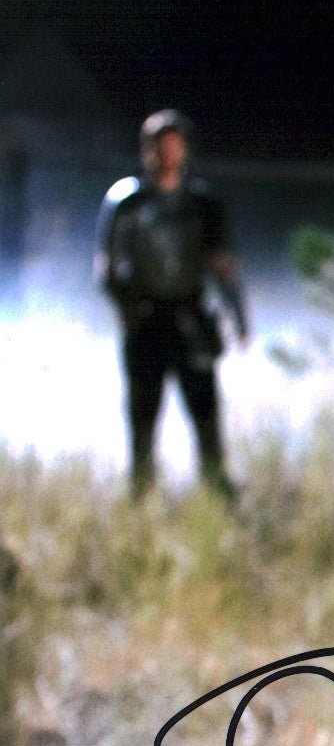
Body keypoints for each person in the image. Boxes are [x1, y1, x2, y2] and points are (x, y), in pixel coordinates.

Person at [96, 110, 249, 498]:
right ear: (145, 150)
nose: (166, 154)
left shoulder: (201, 202)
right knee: (143, 416)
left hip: (190, 320)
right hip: (145, 324)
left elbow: (221, 264)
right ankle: (141, 493)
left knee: (205, 413)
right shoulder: (126, 202)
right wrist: (128, 311)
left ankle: (216, 490)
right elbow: (107, 267)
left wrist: (238, 315)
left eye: (173, 145)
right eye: (158, 146)